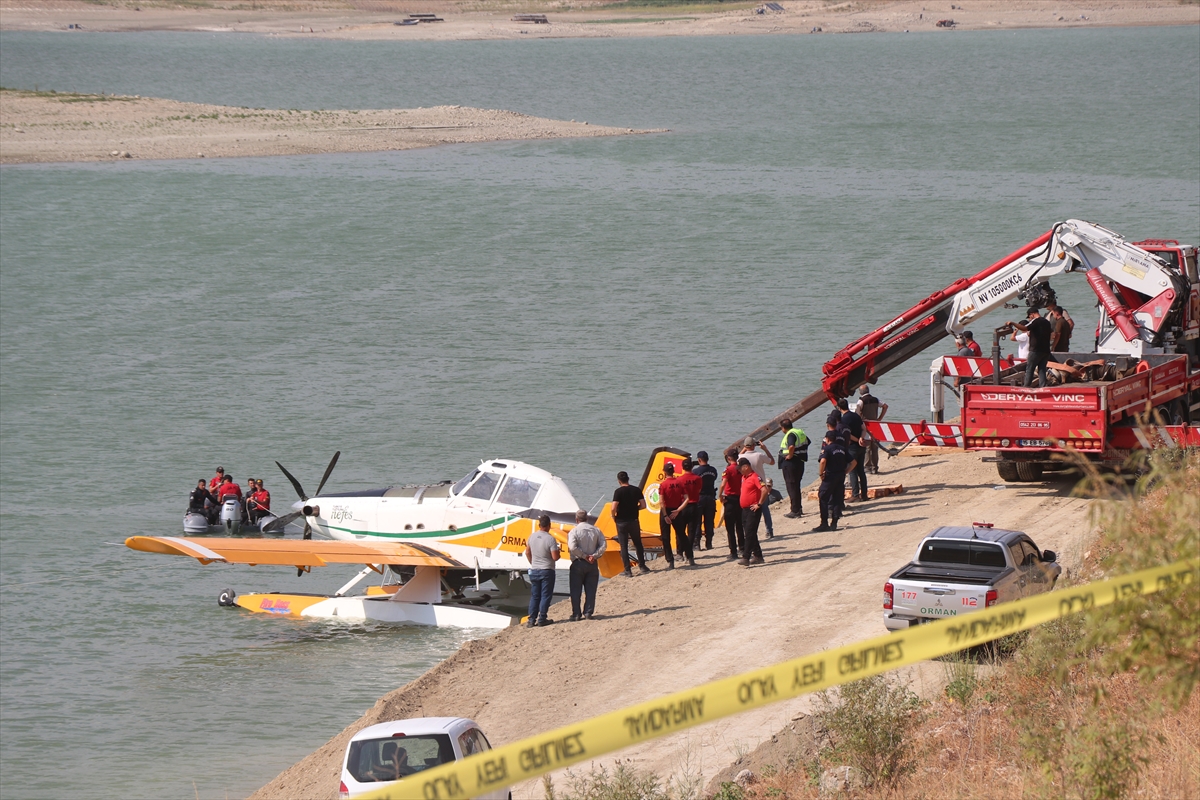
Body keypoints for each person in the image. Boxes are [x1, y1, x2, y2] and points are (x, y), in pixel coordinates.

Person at [567, 509, 607, 621]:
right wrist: (593, 556)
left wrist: (584, 556)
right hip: (592, 563)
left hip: (578, 562)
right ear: (587, 518)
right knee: (591, 589)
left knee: (575, 590)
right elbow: (603, 545)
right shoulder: (596, 530)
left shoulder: (574, 532)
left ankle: (576, 614)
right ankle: (588, 612)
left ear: (576, 519)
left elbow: (573, 547)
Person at [814, 431, 855, 532]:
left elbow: (823, 461)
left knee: (823, 497)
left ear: (827, 439)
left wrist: (821, 473)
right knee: (837, 498)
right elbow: (854, 462)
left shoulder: (826, 449)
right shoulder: (842, 449)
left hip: (830, 476)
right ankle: (834, 522)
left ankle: (824, 523)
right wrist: (846, 471)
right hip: (840, 476)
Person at [524, 514, 560, 627]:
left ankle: (531, 619)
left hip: (534, 570)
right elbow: (555, 557)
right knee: (545, 595)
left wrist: (532, 562)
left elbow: (527, 552)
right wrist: (558, 552)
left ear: (539, 525)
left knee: (535, 595)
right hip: (547, 570)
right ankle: (542, 618)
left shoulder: (532, 536)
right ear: (549, 525)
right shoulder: (550, 539)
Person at [658, 462, 695, 568]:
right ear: (673, 471)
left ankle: (670, 561)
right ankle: (690, 557)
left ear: (664, 472)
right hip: (676, 510)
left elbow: (661, 501)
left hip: (666, 510)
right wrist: (678, 510)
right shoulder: (680, 483)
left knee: (666, 537)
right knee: (682, 535)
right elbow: (687, 499)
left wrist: (665, 516)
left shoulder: (663, 485)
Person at [611, 471, 648, 577]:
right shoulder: (636, 490)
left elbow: (613, 507)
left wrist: (614, 516)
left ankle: (628, 570)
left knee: (624, 546)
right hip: (634, 520)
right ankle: (643, 566)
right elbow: (643, 505)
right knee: (638, 544)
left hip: (621, 521)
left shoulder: (618, 492)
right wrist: (635, 508)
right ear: (628, 478)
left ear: (619, 481)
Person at [738, 437, 776, 538]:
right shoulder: (759, 455)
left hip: (748, 487)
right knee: (764, 509)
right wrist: (765, 449)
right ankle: (769, 530)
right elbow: (772, 462)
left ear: (745, 446)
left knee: (748, 512)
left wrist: (744, 448)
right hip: (760, 485)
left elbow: (739, 456)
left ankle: (749, 532)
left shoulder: (740, 457)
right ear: (754, 445)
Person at [737, 457, 767, 565]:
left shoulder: (755, 477)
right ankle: (758, 556)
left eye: (740, 468)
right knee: (750, 533)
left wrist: (759, 504)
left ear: (746, 467)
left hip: (752, 509)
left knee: (749, 533)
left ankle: (746, 557)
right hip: (744, 509)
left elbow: (764, 490)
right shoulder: (744, 477)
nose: (739, 470)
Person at [777, 419, 809, 518]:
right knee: (796, 486)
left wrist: (791, 455)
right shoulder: (799, 432)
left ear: (783, 428)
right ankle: (798, 508)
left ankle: (795, 511)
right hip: (800, 462)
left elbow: (791, 446)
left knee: (791, 486)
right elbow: (808, 441)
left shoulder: (790, 434)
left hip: (791, 463)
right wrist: (800, 451)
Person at [1014, 308, 1053, 387]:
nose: (1030, 318)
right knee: (1042, 369)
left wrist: (1012, 323)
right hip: (1045, 350)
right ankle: (1043, 386)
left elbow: (1024, 328)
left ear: (1032, 314)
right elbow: (1053, 334)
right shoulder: (1046, 322)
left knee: (1030, 369)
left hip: (1035, 350)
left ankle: (1026, 387)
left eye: (1030, 316)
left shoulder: (1036, 321)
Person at [854, 386, 888, 475]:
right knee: (875, 447)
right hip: (875, 425)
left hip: (866, 426)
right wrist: (879, 418)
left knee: (867, 448)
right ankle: (875, 467)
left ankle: (867, 467)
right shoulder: (875, 399)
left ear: (860, 392)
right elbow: (885, 406)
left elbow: (856, 413)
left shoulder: (861, 401)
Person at [839, 400, 867, 502]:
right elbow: (864, 428)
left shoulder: (844, 420)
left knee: (852, 471)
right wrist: (861, 439)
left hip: (852, 447)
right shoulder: (856, 416)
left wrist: (856, 440)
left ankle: (855, 494)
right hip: (861, 446)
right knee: (861, 470)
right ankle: (864, 494)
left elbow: (847, 434)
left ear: (839, 408)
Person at [691, 451, 720, 551]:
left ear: (699, 460)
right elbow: (714, 478)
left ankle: (696, 544)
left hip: (700, 498)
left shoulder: (696, 472)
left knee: (697, 522)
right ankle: (709, 543)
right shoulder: (713, 470)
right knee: (709, 521)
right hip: (711, 497)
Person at [718, 448, 744, 560]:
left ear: (728, 458)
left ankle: (733, 552)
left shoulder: (728, 470)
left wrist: (720, 495)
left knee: (730, 527)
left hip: (730, 499)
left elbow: (723, 484)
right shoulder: (741, 469)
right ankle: (742, 548)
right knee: (739, 525)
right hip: (740, 498)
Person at [678, 458, 702, 553]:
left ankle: (680, 552)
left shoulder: (679, 480)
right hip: (694, 505)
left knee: (680, 531)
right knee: (691, 531)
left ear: (683, 468)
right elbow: (698, 491)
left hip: (683, 506)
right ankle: (689, 552)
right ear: (692, 467)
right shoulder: (698, 478)